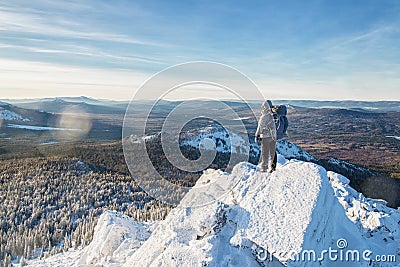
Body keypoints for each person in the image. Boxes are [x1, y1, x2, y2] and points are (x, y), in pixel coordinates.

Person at [255, 100, 277, 173]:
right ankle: (273, 168)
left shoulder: (264, 116)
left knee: (265, 153)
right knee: (272, 153)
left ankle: (264, 168)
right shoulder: (274, 115)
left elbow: (260, 126)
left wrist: (257, 135)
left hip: (265, 137)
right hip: (273, 137)